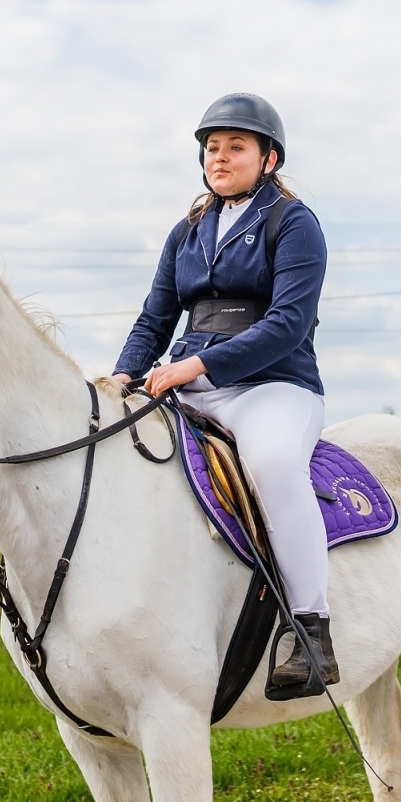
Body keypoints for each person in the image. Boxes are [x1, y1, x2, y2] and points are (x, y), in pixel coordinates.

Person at [112, 93, 336, 696]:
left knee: (271, 463)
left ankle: (311, 630)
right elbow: (155, 318)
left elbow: (289, 321)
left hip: (274, 385)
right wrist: (122, 376)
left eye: (236, 146)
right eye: (212, 148)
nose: (220, 157)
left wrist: (198, 366)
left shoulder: (294, 223)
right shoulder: (187, 232)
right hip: (192, 384)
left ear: (268, 158)